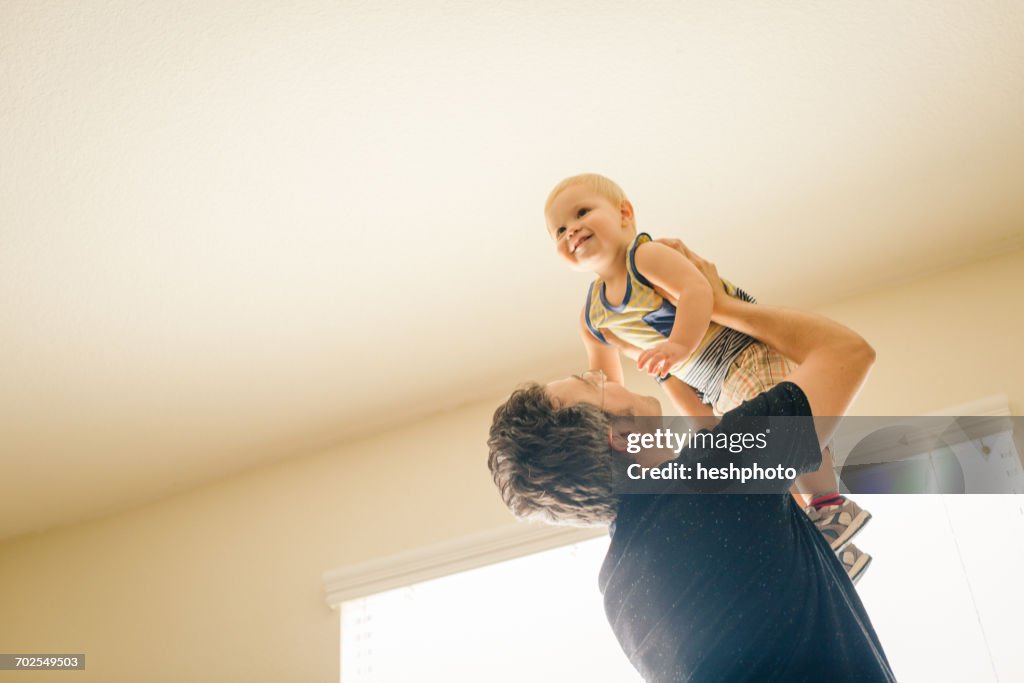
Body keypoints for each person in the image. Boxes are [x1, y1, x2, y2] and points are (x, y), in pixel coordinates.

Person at [487, 245, 895, 681]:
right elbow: (846, 353)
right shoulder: (711, 477)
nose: (604, 374)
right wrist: (722, 305)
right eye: (592, 382)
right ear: (620, 436)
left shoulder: (620, 592)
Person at [543, 173, 871, 578]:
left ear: (625, 214)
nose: (570, 229)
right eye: (559, 230)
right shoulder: (592, 314)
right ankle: (828, 546)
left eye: (581, 213)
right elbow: (607, 382)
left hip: (739, 349)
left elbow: (698, 291)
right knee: (760, 464)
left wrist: (679, 344)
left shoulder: (645, 258)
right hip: (709, 379)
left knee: (784, 430)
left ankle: (829, 506)